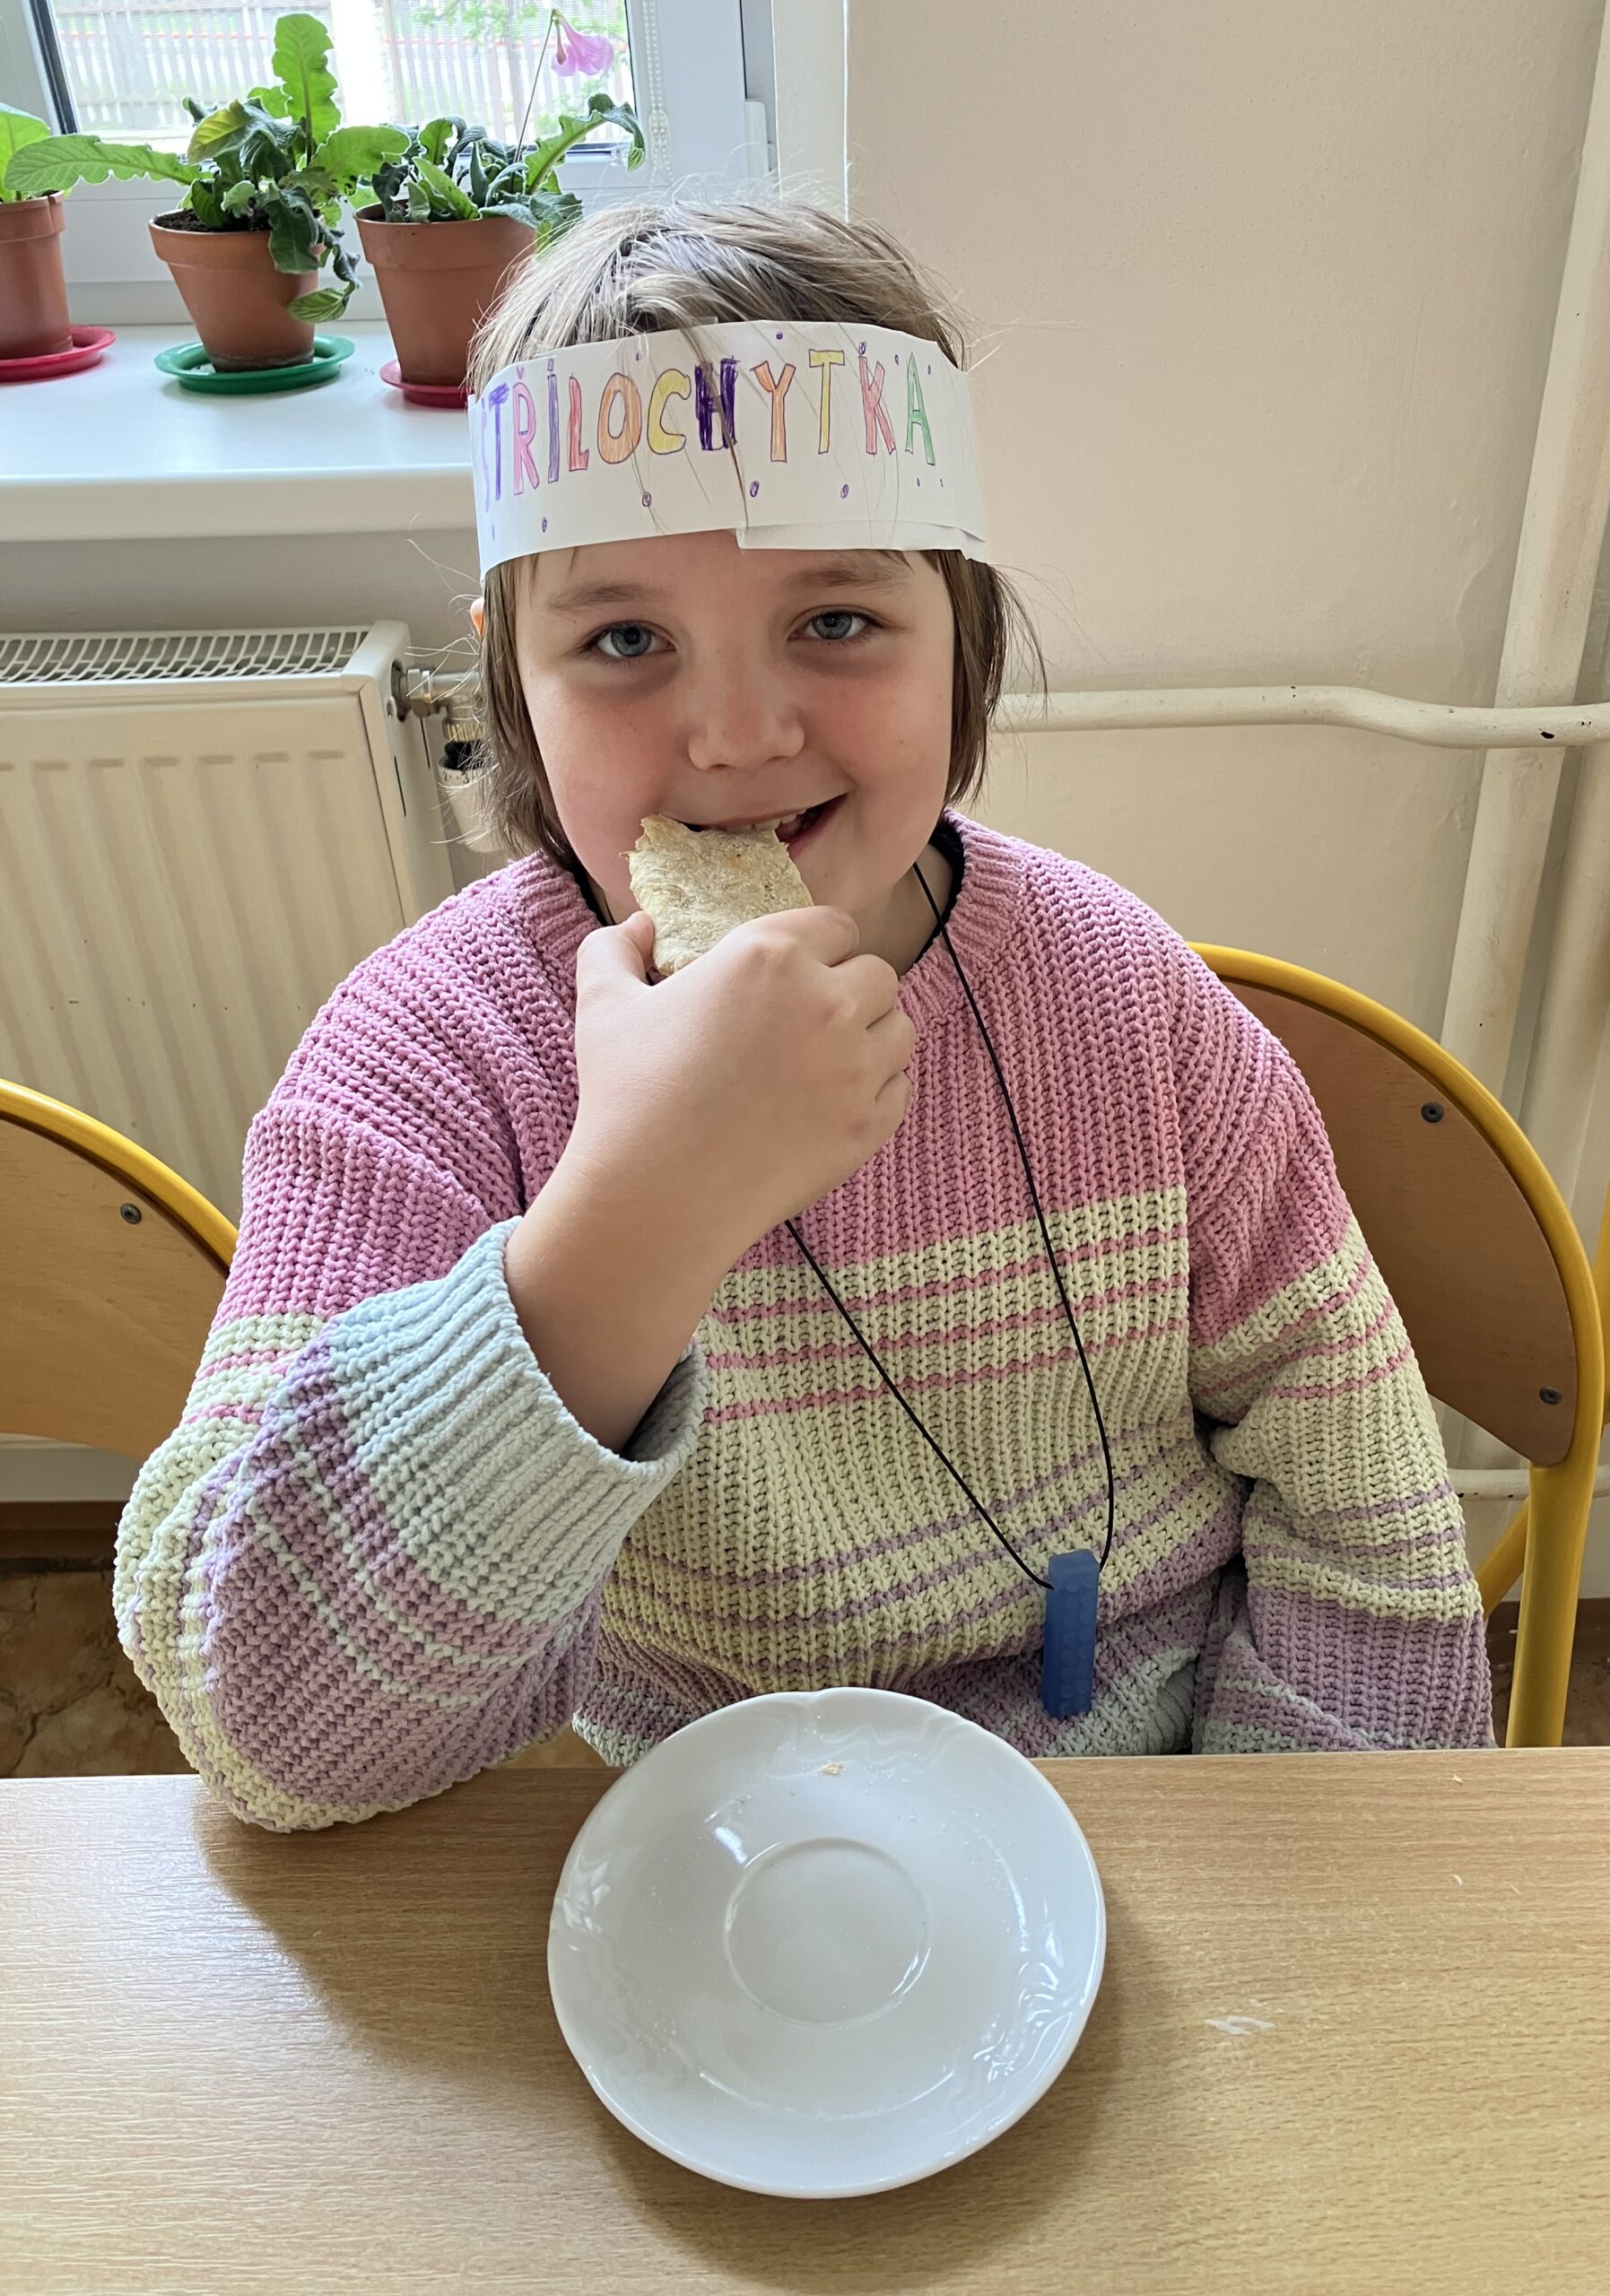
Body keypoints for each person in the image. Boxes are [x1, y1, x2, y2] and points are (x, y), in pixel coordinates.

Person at [115, 198, 1493, 1833]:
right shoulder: (429, 1060)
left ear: (961, 637)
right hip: (711, 1847)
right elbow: (264, 1726)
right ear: (512, 687)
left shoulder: (1133, 1010)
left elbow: (1358, 1509)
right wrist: (637, 1219)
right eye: (624, 639)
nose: (738, 732)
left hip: (1153, 1806)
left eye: (835, 622)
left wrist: (1278, 1883)